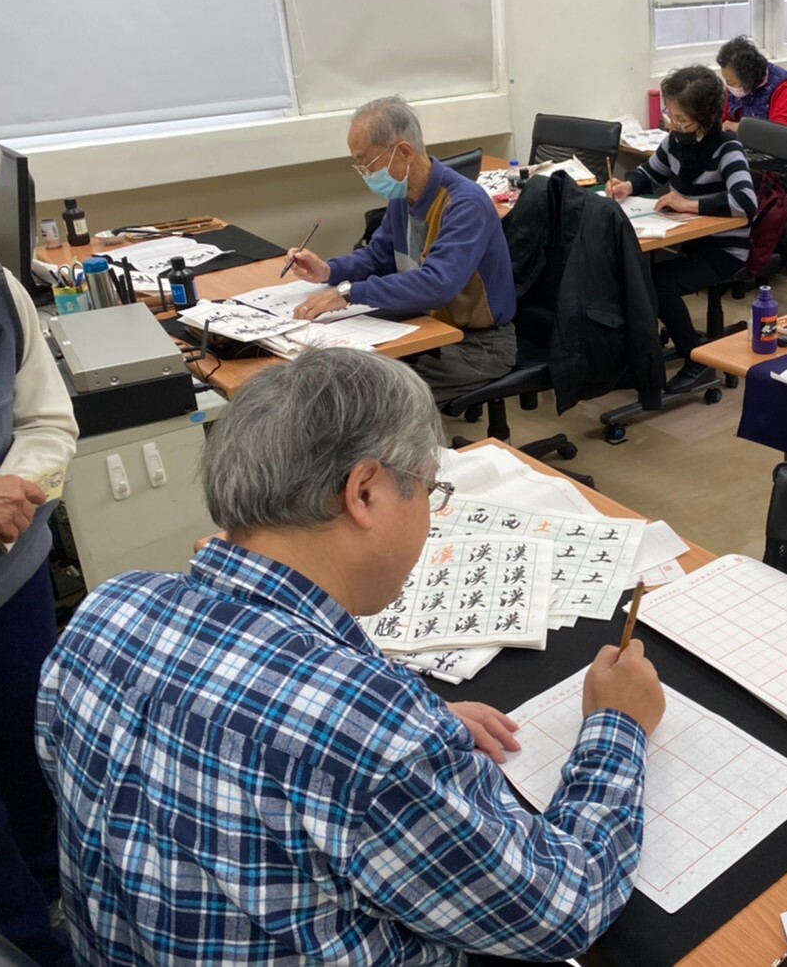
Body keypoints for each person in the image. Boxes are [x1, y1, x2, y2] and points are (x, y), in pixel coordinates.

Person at [36, 348, 665, 963]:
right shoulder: (368, 734)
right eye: (427, 490)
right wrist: (618, 726)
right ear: (364, 492)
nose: (430, 513)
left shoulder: (107, 609)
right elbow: (566, 908)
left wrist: (414, 728)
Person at [0, 101, 78, 966]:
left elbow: (47, 420)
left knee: (33, 766)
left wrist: (8, 500)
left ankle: (59, 907)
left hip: (11, 586)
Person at [285, 96, 517, 405]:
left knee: (368, 399)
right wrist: (330, 271)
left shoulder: (464, 204)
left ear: (404, 152)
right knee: (341, 377)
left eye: (366, 164)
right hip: (425, 326)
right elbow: (378, 256)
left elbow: (437, 284)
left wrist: (348, 292)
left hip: (478, 345)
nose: (365, 174)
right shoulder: (404, 196)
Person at [608, 66, 757, 393]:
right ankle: (641, 357)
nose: (674, 125)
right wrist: (628, 185)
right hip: (687, 241)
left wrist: (690, 204)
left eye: (682, 119)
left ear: (706, 117)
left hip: (723, 250)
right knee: (631, 274)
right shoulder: (674, 141)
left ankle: (697, 359)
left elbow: (746, 202)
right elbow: (650, 173)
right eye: (670, 116)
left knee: (660, 284)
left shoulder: (726, 148)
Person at [717, 36, 787, 132]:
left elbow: (781, 134)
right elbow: (724, 119)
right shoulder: (735, 87)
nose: (728, 86)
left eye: (732, 82)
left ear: (748, 79)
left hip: (779, 145)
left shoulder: (784, 87)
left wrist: (741, 128)